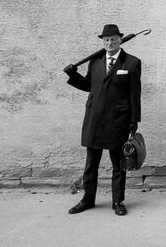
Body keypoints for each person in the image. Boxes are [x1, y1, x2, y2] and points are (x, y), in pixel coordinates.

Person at [63, 24, 142, 216]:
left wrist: (134, 120)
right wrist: (73, 74)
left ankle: (118, 201)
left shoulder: (132, 63)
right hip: (95, 118)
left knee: (118, 164)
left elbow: (135, 93)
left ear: (120, 40)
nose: (109, 43)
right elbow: (89, 86)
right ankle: (87, 199)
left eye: (113, 39)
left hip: (118, 120)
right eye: (106, 40)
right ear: (102, 41)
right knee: (91, 163)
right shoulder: (95, 61)